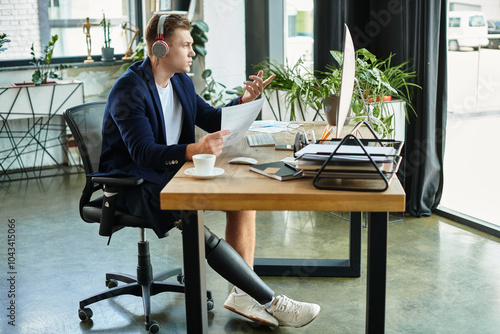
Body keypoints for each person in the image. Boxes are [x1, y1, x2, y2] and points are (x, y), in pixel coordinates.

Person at [99, 13, 320, 328]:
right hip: (132, 185)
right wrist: (194, 149)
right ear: (160, 48)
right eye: (185, 45)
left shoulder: (180, 82)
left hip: (169, 173)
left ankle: (242, 295)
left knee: (241, 199)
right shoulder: (129, 90)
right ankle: (270, 301)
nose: (192, 52)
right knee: (191, 217)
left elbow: (213, 119)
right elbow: (143, 153)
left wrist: (244, 100)